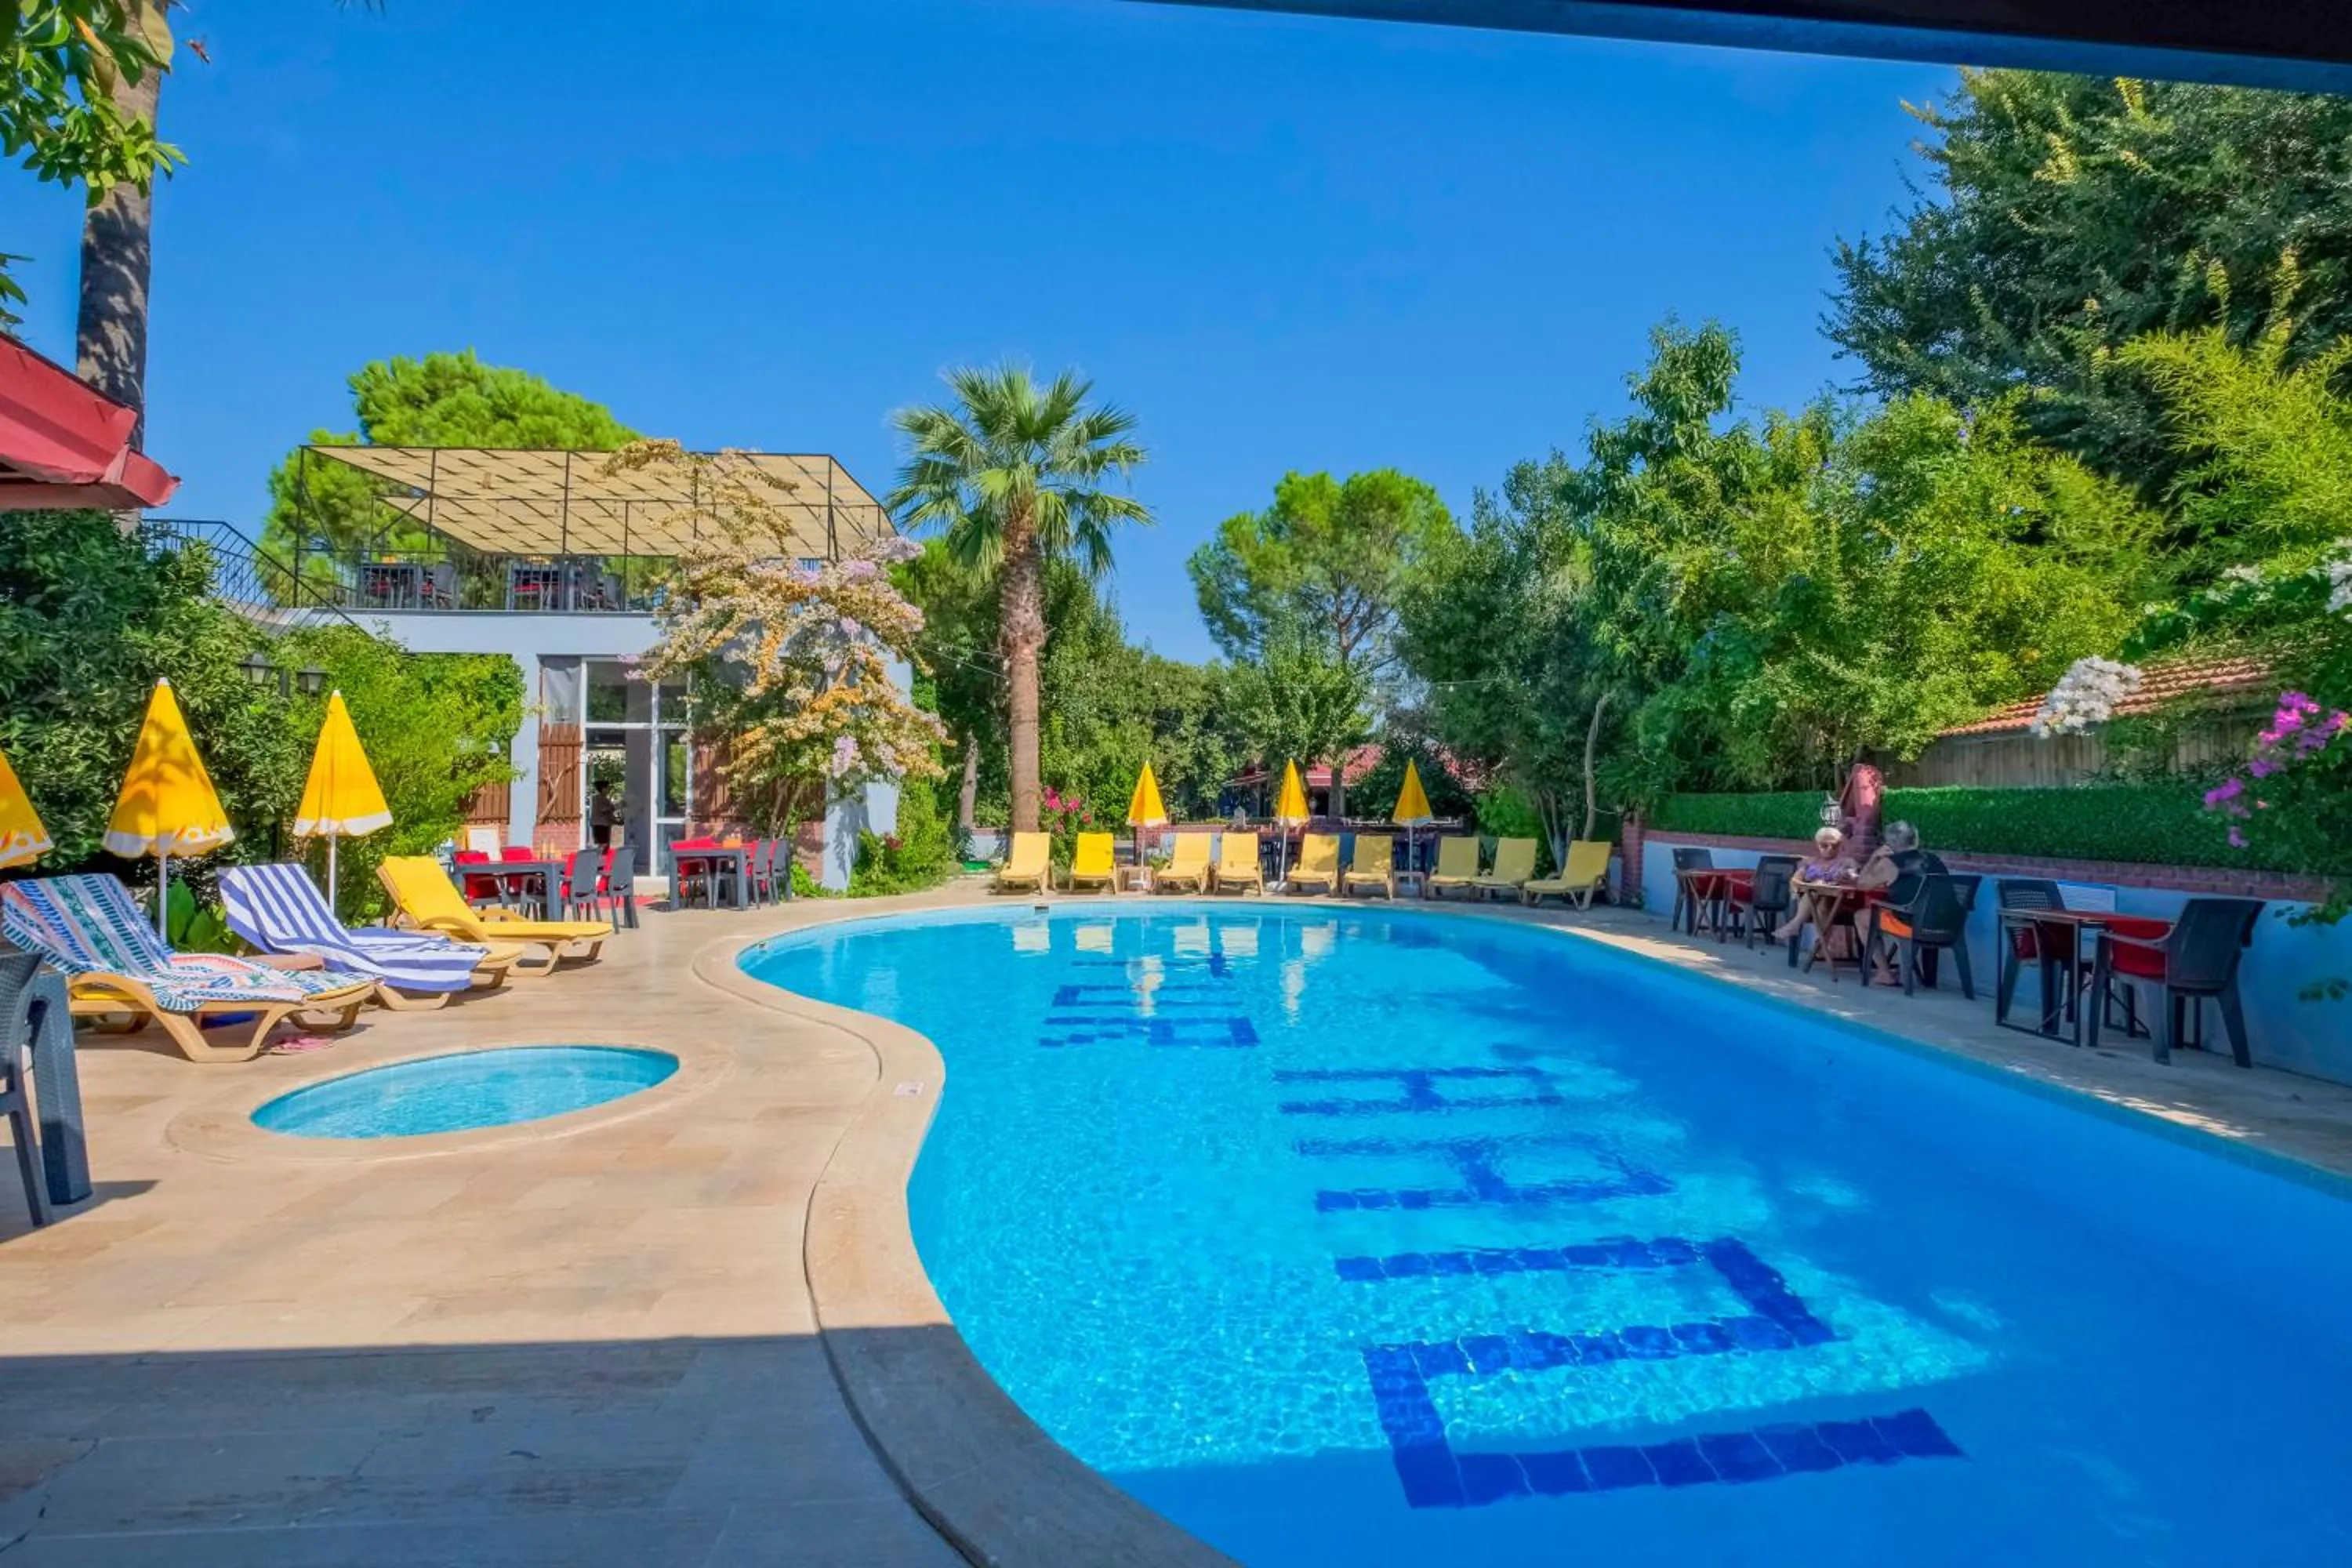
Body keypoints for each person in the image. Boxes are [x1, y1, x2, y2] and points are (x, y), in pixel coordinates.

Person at [1773, 826, 1856, 942]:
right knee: (1817, 897)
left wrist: (1848, 877)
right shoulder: (1809, 862)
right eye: (1824, 845)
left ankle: (1796, 924)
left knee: (1820, 898)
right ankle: (1822, 943)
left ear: (1840, 845)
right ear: (1818, 845)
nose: (1830, 849)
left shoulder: (1847, 862)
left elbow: (1855, 877)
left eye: (1835, 845)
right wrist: (1811, 885)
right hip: (1812, 902)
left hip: (1838, 902)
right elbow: (1795, 880)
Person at [590, 779, 621, 849]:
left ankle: (602, 855)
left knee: (604, 844)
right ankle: (600, 855)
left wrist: (616, 821)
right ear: (603, 789)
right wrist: (615, 806)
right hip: (601, 825)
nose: (608, 790)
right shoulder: (599, 799)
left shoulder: (602, 799)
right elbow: (604, 810)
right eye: (607, 788)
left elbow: (608, 814)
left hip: (603, 825)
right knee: (603, 844)